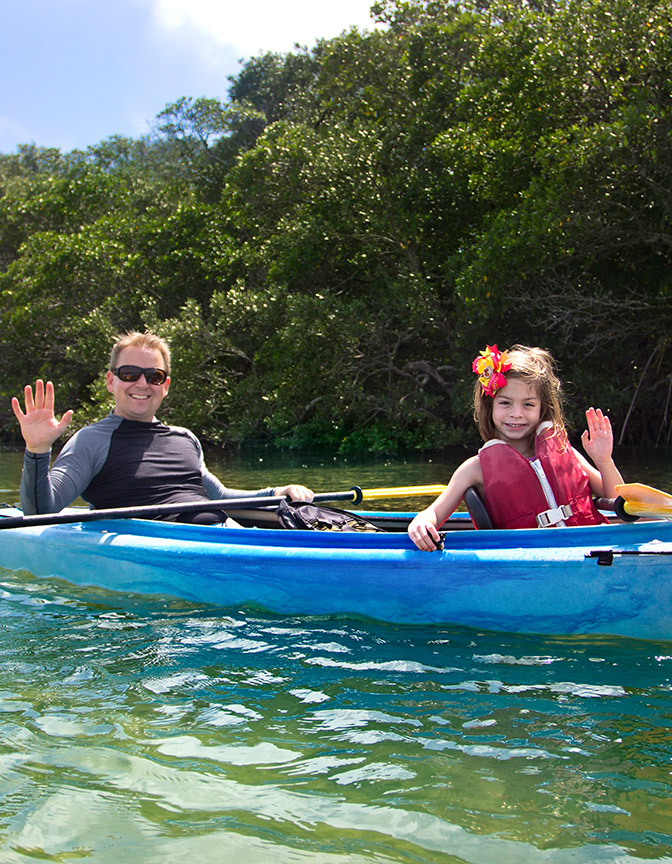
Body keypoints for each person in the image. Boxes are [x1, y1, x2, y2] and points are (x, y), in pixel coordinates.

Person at [11, 331, 314, 524]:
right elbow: (40, 515)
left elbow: (222, 498)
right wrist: (37, 450)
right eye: (129, 374)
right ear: (110, 381)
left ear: (165, 385)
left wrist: (278, 491)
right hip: (172, 554)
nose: (142, 384)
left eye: (153, 376)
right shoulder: (91, 441)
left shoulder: (185, 439)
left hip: (225, 535)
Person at [408, 344, 624, 550]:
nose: (517, 413)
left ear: (542, 408)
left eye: (528, 404)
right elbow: (433, 513)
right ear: (489, 405)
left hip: (590, 550)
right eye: (505, 403)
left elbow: (619, 501)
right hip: (528, 563)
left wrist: (604, 461)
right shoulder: (474, 469)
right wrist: (421, 524)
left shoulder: (561, 450)